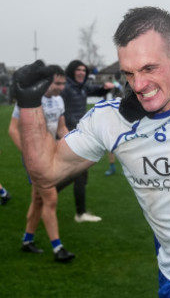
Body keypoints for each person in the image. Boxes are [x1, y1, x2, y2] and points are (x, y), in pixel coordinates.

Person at [12, 7, 170, 297]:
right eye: (129, 73)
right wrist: (29, 104)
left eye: (149, 68)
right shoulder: (110, 120)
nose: (139, 85)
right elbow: (46, 172)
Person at [8, 65, 75, 263]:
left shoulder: (59, 100)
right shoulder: (28, 100)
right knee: (50, 198)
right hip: (36, 158)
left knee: (38, 200)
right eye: (57, 83)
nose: (60, 87)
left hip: (50, 155)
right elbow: (12, 130)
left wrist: (75, 143)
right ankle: (58, 248)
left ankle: (27, 241)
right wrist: (30, 154)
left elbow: (61, 128)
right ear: (46, 82)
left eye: (63, 83)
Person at [60, 60, 114, 222]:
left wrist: (104, 88)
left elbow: (95, 91)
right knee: (78, 174)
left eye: (84, 70)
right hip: (68, 136)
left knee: (78, 174)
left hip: (79, 135)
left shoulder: (81, 86)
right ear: (71, 71)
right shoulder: (66, 89)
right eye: (78, 69)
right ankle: (79, 213)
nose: (82, 72)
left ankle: (47, 194)